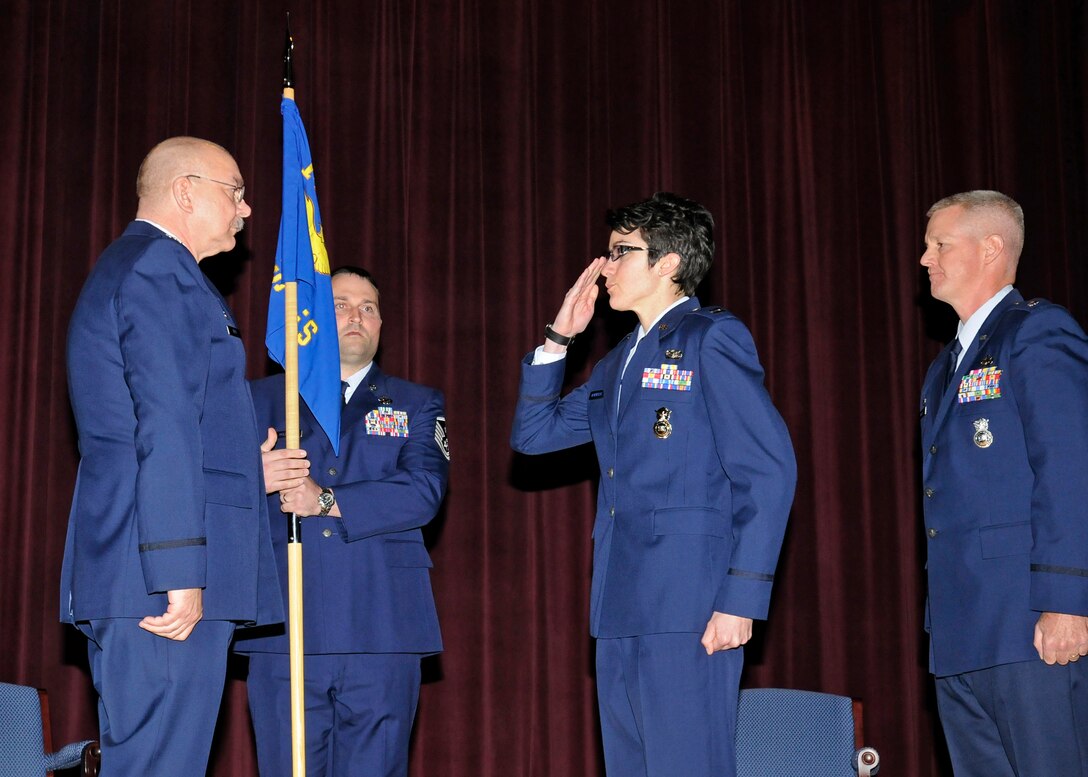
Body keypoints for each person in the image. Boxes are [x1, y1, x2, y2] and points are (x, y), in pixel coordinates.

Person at [510, 192, 796, 777]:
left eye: (621, 253)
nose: (605, 267)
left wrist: (741, 598)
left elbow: (768, 469)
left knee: (686, 764)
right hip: (620, 602)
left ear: (668, 263)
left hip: (691, 601)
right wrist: (559, 340)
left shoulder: (709, 338)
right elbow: (534, 436)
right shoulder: (618, 361)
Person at [60, 136, 281, 775]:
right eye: (234, 191)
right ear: (184, 191)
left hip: (147, 561)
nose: (245, 210)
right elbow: (164, 424)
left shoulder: (146, 269)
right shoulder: (160, 268)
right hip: (159, 575)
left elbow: (155, 420)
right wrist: (181, 574)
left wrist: (245, 469)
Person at [236, 266, 450, 777]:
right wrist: (252, 477)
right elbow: (210, 495)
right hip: (283, 625)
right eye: (340, 305)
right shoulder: (258, 399)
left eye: (369, 307)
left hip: (382, 626)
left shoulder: (417, 403)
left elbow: (424, 492)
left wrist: (326, 500)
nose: (357, 316)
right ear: (308, 321)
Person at [918, 190, 1088, 775]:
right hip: (963, 627)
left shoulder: (1036, 332)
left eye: (940, 244)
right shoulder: (946, 365)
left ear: (991, 249)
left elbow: (1070, 468)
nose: (925, 258)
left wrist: (1066, 603)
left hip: (1028, 623)